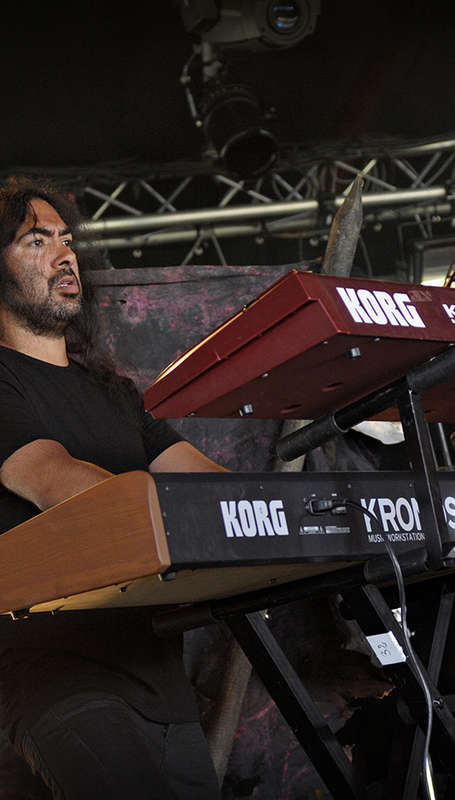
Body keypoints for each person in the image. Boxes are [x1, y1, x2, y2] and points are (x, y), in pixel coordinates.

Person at [0, 182, 226, 799]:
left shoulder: (115, 394)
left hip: (160, 683)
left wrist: (281, 514)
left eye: (67, 240)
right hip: (58, 679)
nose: (63, 255)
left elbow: (202, 480)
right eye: (36, 241)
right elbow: (50, 475)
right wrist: (171, 517)